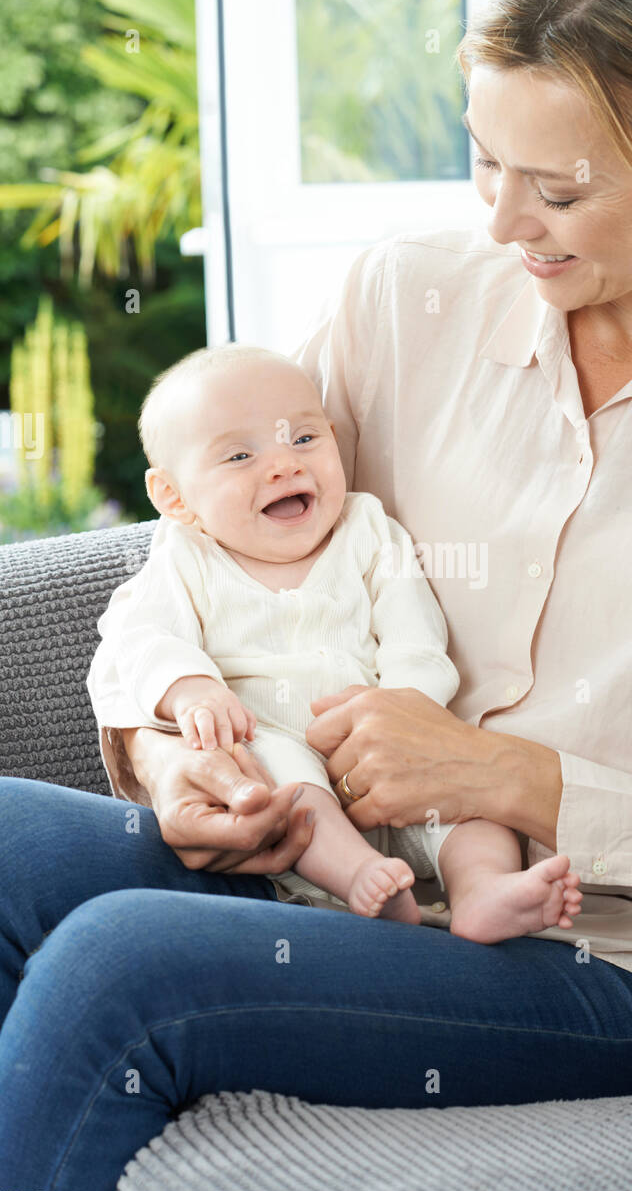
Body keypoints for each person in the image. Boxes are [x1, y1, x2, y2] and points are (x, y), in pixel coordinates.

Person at [1, 0, 632, 1191]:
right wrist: (179, 763)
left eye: (558, 190)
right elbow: (212, 546)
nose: (503, 221)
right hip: (336, 862)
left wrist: (506, 773)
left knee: (124, 962)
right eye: (483, 163)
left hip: (614, 965)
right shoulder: (406, 301)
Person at [87, 346, 583, 938]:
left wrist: (409, 711)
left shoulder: (367, 528)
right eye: (241, 455)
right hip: (265, 736)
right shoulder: (185, 557)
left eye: (303, 439)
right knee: (285, 777)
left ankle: (481, 890)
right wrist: (190, 690)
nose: (282, 467)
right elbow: (140, 636)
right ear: (173, 497)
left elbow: (413, 633)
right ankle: (361, 878)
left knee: (473, 809)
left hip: (390, 745)